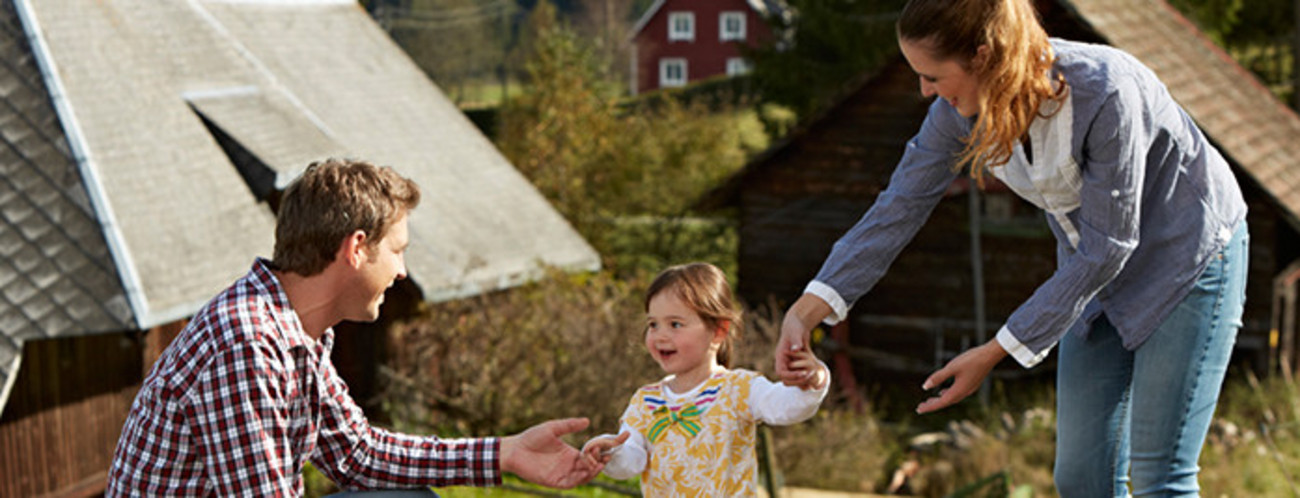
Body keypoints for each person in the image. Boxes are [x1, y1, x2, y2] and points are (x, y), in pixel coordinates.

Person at [773, 0, 1249, 495]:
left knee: (1160, 477)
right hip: (1090, 277)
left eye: (933, 76)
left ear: (982, 57)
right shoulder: (956, 115)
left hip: (1186, 260)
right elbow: (898, 208)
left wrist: (996, 350)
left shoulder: (1107, 91)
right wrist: (807, 311)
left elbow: (1110, 245)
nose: (925, 90)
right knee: (1081, 479)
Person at [107, 159, 604, 496]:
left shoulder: (298, 330)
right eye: (397, 249)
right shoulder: (248, 343)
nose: (402, 271)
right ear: (356, 248)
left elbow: (357, 453)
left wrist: (507, 452)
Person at [582, 262, 830, 497]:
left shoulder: (739, 388)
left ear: (718, 331)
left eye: (675, 324)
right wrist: (610, 451)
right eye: (653, 324)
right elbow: (632, 461)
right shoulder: (646, 401)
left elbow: (787, 408)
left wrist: (813, 381)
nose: (660, 336)